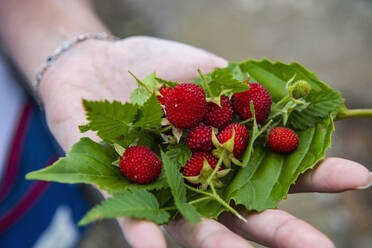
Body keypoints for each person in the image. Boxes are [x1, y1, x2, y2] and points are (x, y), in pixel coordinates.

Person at [0, 1, 371, 247]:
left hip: (23, 149)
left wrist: (69, 54)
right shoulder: (203, 136)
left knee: (57, 218)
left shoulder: (215, 123)